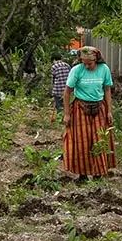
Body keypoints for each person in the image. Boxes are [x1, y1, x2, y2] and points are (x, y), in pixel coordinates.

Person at [63, 46, 116, 181]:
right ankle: (83, 174)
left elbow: (107, 90)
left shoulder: (104, 69)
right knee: (82, 141)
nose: (86, 66)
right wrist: (67, 114)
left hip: (99, 107)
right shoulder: (77, 70)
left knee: (99, 140)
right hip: (80, 107)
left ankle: (98, 173)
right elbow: (67, 92)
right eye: (84, 63)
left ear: (96, 60)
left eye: (89, 63)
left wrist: (109, 111)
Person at [49, 53, 72, 123]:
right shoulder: (67, 65)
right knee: (67, 104)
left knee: (59, 106)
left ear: (54, 60)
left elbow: (53, 78)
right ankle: (68, 117)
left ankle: (61, 119)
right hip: (68, 89)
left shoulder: (54, 67)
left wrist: (52, 88)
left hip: (58, 89)